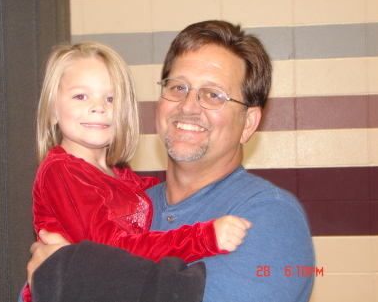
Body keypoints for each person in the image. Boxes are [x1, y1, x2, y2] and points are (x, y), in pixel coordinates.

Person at [27, 21, 315, 301]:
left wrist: (68, 272)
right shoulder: (130, 202)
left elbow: (52, 280)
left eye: (213, 95)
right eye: (178, 88)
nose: (188, 106)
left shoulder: (270, 216)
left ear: (248, 123)